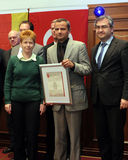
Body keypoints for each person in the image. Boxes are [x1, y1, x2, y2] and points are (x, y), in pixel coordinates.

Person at [46, 18, 91, 160]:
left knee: (74, 138)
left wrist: (73, 65)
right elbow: (50, 75)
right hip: (57, 98)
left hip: (74, 98)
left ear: (69, 31)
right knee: (58, 137)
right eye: (57, 29)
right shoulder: (50, 50)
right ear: (53, 31)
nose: (59, 31)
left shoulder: (79, 46)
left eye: (63, 29)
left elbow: (88, 69)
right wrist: (49, 96)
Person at [4, 30, 46, 160]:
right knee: (18, 133)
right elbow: (7, 81)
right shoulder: (13, 60)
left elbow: (42, 82)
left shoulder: (39, 60)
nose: (28, 45)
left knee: (32, 133)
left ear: (34, 44)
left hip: (33, 101)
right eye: (25, 42)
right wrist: (7, 101)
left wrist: (42, 101)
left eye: (31, 42)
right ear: (20, 44)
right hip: (16, 101)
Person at [91, 15, 128, 160]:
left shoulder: (122, 46)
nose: (100, 30)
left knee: (115, 136)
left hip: (116, 100)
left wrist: (125, 96)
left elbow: (127, 73)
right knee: (102, 136)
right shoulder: (94, 49)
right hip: (98, 99)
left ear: (111, 29)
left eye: (104, 27)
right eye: (98, 27)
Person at [37, 19, 57, 160]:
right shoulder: (45, 49)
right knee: (51, 126)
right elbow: (41, 73)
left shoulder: (72, 47)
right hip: (50, 94)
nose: (56, 32)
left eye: (58, 28)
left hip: (68, 95)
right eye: (53, 29)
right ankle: (50, 155)